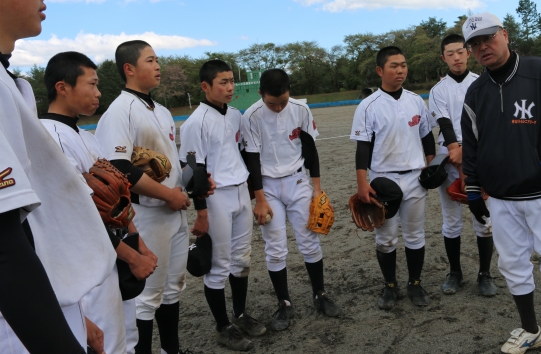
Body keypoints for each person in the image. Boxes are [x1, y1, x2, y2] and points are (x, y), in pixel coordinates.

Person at [0, 0, 116, 352]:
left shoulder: (7, 80)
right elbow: (1, 245)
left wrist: (71, 311)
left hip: (34, 302)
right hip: (11, 320)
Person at [460, 12, 541, 354]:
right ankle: (531, 331)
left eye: (489, 38)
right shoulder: (475, 92)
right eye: (475, 43)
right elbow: (471, 145)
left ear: (505, 35)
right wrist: (473, 188)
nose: (483, 47)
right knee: (512, 265)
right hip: (502, 198)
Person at [41, 51, 160, 354]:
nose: (98, 93)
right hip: (84, 266)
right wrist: (133, 258)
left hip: (111, 255)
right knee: (105, 344)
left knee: (126, 339)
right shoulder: (50, 138)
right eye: (91, 84)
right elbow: (78, 218)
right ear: (62, 87)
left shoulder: (86, 136)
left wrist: (137, 243)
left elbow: (118, 199)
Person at [95, 40, 199, 354]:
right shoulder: (120, 111)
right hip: (147, 215)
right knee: (146, 297)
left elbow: (169, 161)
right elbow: (117, 167)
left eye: (157, 60)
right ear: (129, 68)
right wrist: (168, 194)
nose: (158, 66)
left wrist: (192, 178)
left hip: (174, 209)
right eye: (150, 60)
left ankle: (171, 350)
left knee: (172, 289)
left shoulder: (161, 110)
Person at [241, 68, 341, 331]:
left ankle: (319, 294)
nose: (278, 107)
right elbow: (252, 159)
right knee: (275, 247)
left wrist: (317, 189)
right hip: (268, 187)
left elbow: (310, 149)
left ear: (289, 92)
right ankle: (284, 303)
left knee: (309, 240)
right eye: (272, 103)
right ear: (261, 94)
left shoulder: (300, 109)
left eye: (283, 101)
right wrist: (259, 199)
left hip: (298, 182)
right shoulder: (251, 115)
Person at [179, 59, 265, 351]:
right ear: (205, 86)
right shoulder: (196, 122)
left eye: (231, 81)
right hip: (216, 199)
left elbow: (242, 152)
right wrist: (201, 212)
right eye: (223, 82)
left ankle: (239, 315)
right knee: (218, 265)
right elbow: (193, 171)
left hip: (240, 191)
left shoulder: (235, 115)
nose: (230, 87)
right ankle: (222, 326)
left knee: (241, 260)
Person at [350, 46, 437, 310]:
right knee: (386, 238)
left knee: (415, 235)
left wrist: (431, 164)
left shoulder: (415, 100)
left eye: (403, 65)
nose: (400, 70)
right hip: (383, 180)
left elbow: (426, 135)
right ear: (380, 70)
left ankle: (415, 283)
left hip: (415, 178)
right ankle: (390, 285)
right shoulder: (368, 106)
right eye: (394, 66)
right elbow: (363, 147)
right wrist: (362, 183)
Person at [428, 34, 496, 297]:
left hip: (479, 155)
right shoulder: (438, 90)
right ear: (443, 58)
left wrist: (466, 154)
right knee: (451, 220)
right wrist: (456, 152)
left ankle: (485, 274)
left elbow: (488, 122)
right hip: (448, 157)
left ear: (468, 53)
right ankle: (455, 272)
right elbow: (444, 124)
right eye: (450, 54)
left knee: (484, 219)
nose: (456, 57)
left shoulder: (483, 82)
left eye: (460, 51)